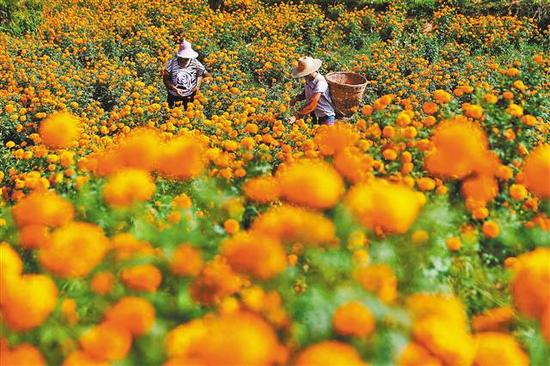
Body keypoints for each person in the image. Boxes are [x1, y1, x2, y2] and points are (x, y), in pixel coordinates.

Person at [289, 56, 336, 126]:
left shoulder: (320, 82)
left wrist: (297, 116)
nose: (303, 76)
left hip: (326, 116)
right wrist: (296, 99)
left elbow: (313, 102)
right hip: (315, 114)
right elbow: (306, 92)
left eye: (305, 74)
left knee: (328, 136)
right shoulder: (309, 79)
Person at [163, 40, 210, 109]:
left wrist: (200, 84)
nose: (185, 59)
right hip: (174, 96)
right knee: (172, 115)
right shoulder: (171, 63)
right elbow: (165, 79)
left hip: (190, 96)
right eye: (183, 58)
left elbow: (206, 75)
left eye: (187, 58)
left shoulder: (195, 63)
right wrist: (174, 88)